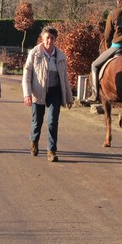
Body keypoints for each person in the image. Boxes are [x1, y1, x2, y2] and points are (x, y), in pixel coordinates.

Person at [22, 26, 74, 162]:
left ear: (55, 40)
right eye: (47, 38)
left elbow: (64, 79)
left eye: (52, 38)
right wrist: (27, 94)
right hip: (38, 92)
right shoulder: (34, 54)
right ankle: (34, 141)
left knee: (52, 122)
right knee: (37, 122)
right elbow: (27, 75)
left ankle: (51, 151)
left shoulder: (61, 56)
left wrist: (69, 98)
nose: (49, 41)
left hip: (54, 92)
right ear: (42, 38)